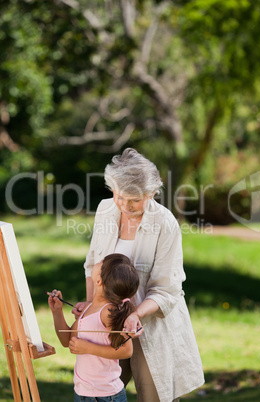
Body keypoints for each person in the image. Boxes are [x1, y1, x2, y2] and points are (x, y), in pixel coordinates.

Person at [75, 148, 205, 402]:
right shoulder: (104, 210)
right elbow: (92, 264)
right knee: (100, 390)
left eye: (134, 199)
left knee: (153, 395)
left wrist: (135, 314)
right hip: (107, 321)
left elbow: (167, 289)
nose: (125, 205)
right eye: (120, 196)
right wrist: (91, 306)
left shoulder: (165, 224)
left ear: (151, 193)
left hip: (150, 326)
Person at [48, 253, 140, 402]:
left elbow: (126, 350)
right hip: (83, 392)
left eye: (102, 262)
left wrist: (88, 348)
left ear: (99, 281)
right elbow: (67, 341)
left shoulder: (109, 312)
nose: (99, 261)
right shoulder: (89, 308)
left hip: (106, 395)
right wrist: (57, 312)